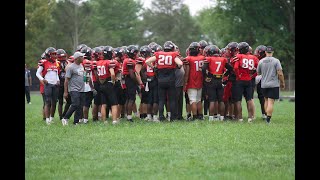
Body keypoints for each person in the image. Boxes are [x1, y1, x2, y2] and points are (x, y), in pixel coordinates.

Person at [145, 41, 183, 121]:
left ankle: (161, 117)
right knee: (171, 99)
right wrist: (176, 67)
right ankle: (172, 117)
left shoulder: (159, 54)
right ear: (172, 48)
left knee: (161, 99)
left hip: (161, 80)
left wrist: (154, 67)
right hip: (171, 80)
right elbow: (180, 63)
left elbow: (147, 61)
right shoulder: (173, 54)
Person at [257, 46, 285, 124]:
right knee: (271, 102)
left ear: (265, 52)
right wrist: (282, 82)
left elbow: (258, 73)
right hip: (273, 84)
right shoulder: (276, 61)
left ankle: (266, 116)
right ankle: (268, 120)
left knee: (266, 100)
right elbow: (280, 73)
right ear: (272, 52)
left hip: (264, 84)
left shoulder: (261, 61)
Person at [36, 47, 60, 125]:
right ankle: (47, 119)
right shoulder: (44, 62)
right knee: (48, 102)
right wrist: (43, 79)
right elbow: (37, 73)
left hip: (55, 85)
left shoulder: (56, 63)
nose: (55, 55)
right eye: (53, 54)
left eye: (55, 54)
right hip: (48, 84)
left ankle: (51, 118)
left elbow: (56, 73)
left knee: (54, 102)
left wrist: (58, 80)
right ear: (48, 54)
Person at [61, 52, 86, 126]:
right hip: (74, 89)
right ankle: (65, 118)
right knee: (75, 104)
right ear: (77, 58)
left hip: (82, 89)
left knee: (80, 106)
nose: (83, 58)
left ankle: (76, 122)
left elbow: (83, 76)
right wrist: (65, 92)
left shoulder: (81, 66)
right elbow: (66, 80)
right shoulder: (71, 67)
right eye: (82, 57)